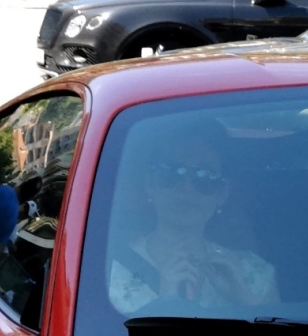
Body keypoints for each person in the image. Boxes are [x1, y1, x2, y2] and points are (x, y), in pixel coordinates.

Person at [105, 122, 276, 313]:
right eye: (171, 172)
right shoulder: (109, 271)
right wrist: (166, 302)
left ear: (222, 193)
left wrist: (243, 298)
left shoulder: (254, 272)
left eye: (205, 177)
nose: (186, 188)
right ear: (149, 183)